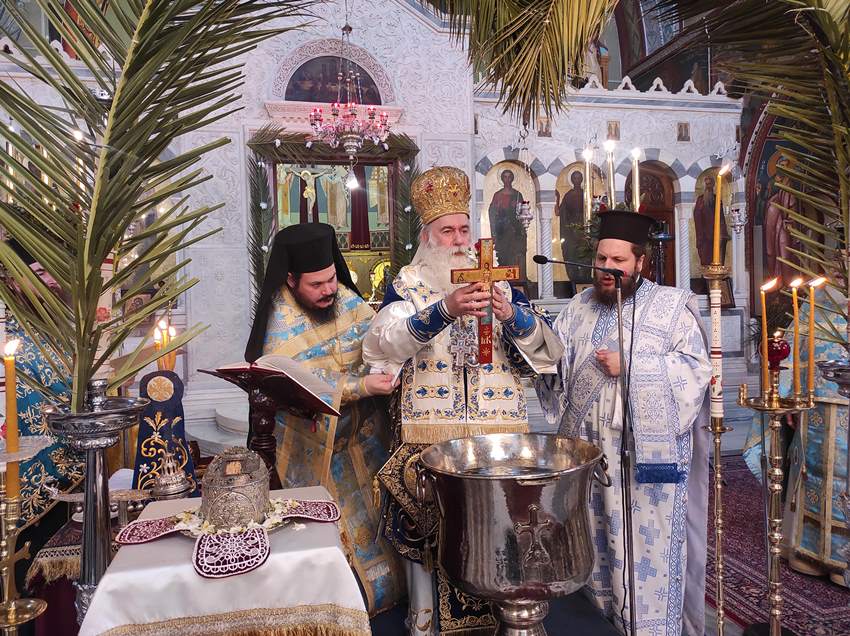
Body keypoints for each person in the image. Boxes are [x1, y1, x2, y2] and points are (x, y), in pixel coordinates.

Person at [363, 166, 563, 635]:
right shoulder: (409, 285)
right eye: (446, 230)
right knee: (429, 535)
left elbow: (549, 353)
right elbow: (381, 345)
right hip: (431, 437)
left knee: (505, 535)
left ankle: (508, 623)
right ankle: (427, 625)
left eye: (463, 229)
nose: (457, 240)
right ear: (428, 236)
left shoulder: (500, 285)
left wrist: (512, 316)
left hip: (497, 438)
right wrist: (445, 310)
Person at [537, 210, 711, 636]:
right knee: (590, 553)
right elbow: (553, 369)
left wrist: (630, 364)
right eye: (601, 259)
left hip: (643, 471)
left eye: (618, 260)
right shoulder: (578, 307)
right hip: (587, 463)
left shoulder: (671, 308)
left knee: (641, 560)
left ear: (641, 262)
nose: (607, 268)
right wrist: (519, 330)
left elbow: (694, 372)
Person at [244, 222, 404, 615]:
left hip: (364, 439)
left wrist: (390, 364)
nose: (329, 290)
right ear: (291, 280)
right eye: (316, 284)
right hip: (314, 447)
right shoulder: (279, 321)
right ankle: (337, 609)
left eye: (332, 278)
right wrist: (360, 386)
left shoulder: (346, 299)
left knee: (380, 522)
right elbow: (297, 381)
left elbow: (379, 341)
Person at [743, 284, 849, 587]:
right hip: (816, 405)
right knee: (814, 470)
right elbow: (795, 346)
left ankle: (843, 559)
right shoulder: (823, 297)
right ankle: (811, 552)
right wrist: (790, 395)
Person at [1, 238, 84, 526]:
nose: (50, 281)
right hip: (32, 464)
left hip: (75, 451)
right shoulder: (8, 333)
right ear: (13, 281)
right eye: (39, 273)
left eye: (52, 272)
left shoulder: (57, 326)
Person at [488, 168, 527, 280]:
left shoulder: (517, 195)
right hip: (502, 231)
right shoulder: (497, 195)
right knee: (503, 255)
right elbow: (492, 212)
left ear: (512, 179)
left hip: (515, 231)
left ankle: (517, 279)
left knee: (515, 254)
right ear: (502, 179)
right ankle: (503, 279)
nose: (507, 179)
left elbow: (523, 212)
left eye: (509, 177)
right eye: (505, 177)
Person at [557, 170, 592, 283]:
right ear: (572, 180)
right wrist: (557, 199)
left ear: (582, 179)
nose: (577, 180)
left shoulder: (586, 194)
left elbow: (592, 210)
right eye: (575, 178)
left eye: (579, 178)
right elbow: (560, 212)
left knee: (585, 253)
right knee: (572, 253)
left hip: (585, 228)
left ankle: (585, 277)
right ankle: (574, 278)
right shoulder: (568, 195)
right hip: (571, 230)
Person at [693, 173, 730, 267]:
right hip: (704, 237)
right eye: (707, 184)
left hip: (716, 236)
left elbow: (721, 217)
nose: (708, 187)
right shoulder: (700, 200)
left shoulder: (716, 199)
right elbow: (697, 216)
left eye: (710, 184)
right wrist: (702, 236)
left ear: (713, 185)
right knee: (706, 260)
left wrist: (723, 233)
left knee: (717, 259)